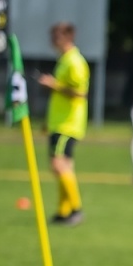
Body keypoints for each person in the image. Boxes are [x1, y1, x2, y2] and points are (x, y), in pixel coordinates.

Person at [39, 22, 89, 226]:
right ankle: (64, 211)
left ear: (68, 37)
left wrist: (54, 85)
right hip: (59, 122)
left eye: (57, 36)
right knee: (64, 166)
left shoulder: (74, 62)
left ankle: (76, 209)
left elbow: (81, 93)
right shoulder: (65, 60)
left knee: (58, 165)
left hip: (68, 124)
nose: (53, 41)